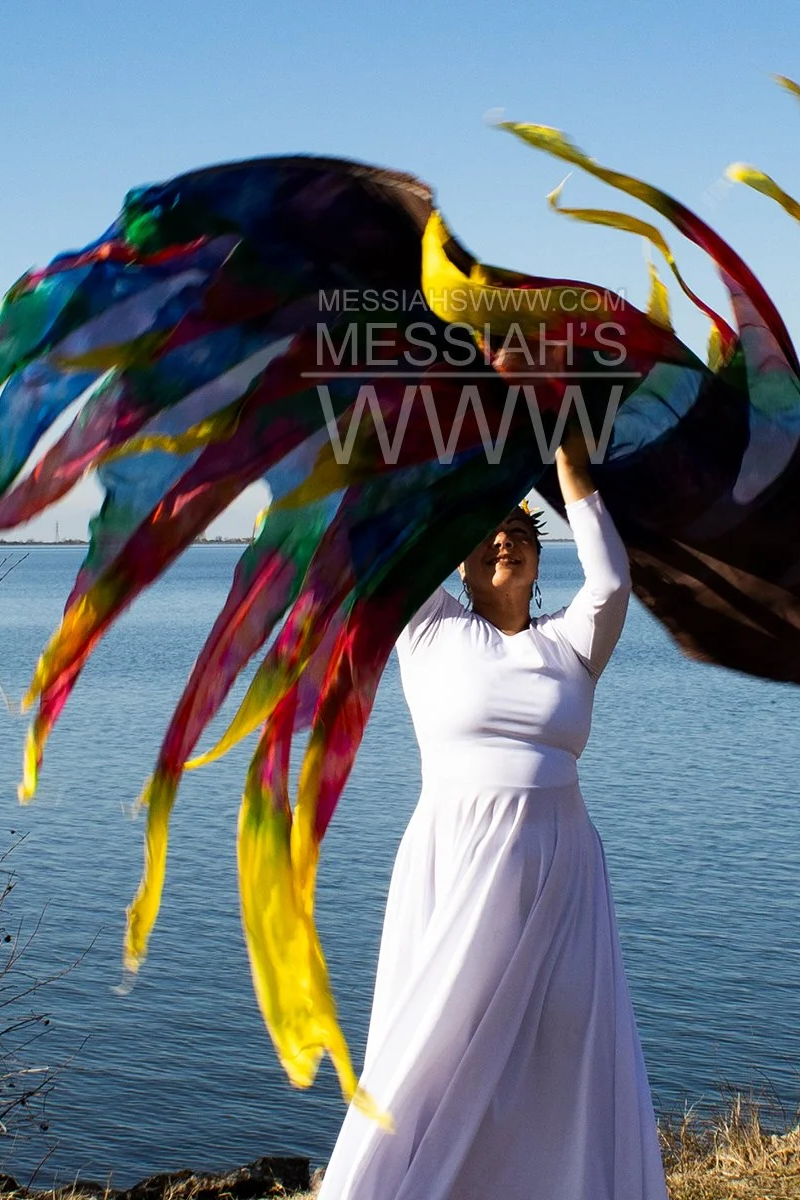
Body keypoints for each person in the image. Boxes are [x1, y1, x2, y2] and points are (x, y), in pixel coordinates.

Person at [318, 432, 667, 1200]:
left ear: (539, 556)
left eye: (517, 529)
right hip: (459, 858)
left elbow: (610, 581)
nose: (502, 538)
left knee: (564, 1041)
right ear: (459, 555)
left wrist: (571, 468)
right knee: (434, 1047)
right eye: (485, 532)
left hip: (560, 869)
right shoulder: (428, 626)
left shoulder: (572, 645)